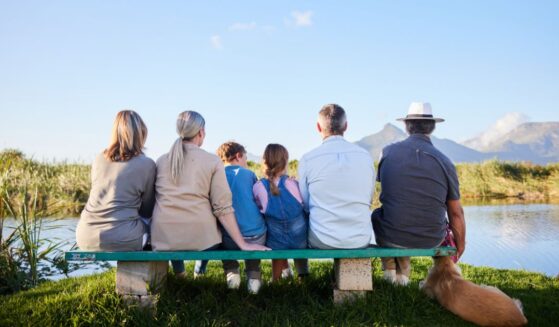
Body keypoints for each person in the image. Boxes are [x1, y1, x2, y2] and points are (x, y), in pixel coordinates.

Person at [150, 111, 269, 278]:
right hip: (202, 242)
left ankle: (180, 275)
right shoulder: (212, 161)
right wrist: (243, 244)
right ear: (200, 132)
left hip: (163, 240)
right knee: (217, 231)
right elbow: (222, 207)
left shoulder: (161, 161)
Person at [372, 102, 466, 286]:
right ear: (431, 127)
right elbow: (456, 213)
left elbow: (393, 194)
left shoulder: (387, 153)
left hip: (393, 234)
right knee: (404, 217)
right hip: (431, 238)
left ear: (407, 126)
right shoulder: (445, 161)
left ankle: (391, 273)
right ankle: (403, 278)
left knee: (379, 215)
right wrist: (461, 245)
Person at [76, 110, 156, 251]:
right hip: (125, 239)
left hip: (85, 237)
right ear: (141, 134)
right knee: (154, 225)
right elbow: (148, 210)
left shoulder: (99, 159)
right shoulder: (147, 164)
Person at [298, 104, 375, 249]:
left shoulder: (308, 159)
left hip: (322, 238)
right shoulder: (365, 157)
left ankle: (302, 272)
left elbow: (306, 205)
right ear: (346, 126)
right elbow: (369, 200)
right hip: (360, 238)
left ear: (318, 128)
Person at [212, 141, 267, 293]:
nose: (246, 163)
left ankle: (232, 272)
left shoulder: (217, 175)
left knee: (221, 234)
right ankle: (253, 276)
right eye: (246, 159)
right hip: (256, 236)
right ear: (238, 156)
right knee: (253, 237)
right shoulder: (249, 174)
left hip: (230, 239)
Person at [253, 144, 309, 281]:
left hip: (276, 241)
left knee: (277, 240)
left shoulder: (258, 186)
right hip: (300, 240)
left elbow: (259, 209)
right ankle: (303, 275)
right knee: (300, 228)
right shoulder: (293, 184)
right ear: (285, 162)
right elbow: (305, 206)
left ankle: (276, 279)